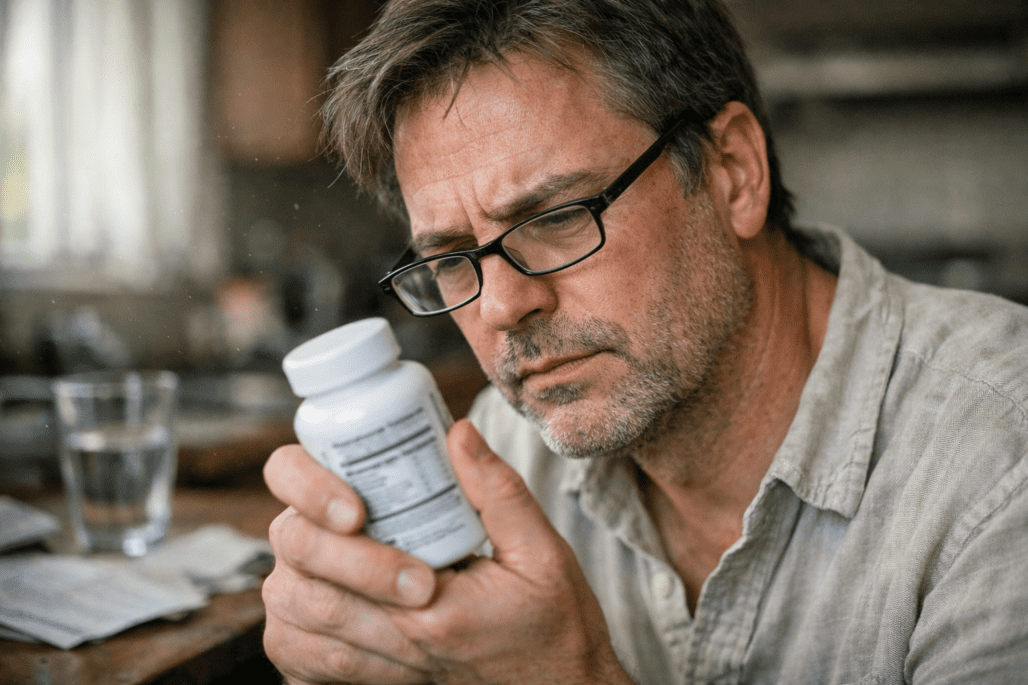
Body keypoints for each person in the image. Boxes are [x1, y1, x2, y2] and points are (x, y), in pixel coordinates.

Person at [261, 0, 1028, 683]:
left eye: (557, 216)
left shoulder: (1001, 460)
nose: (502, 306)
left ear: (733, 173)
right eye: (451, 258)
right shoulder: (502, 459)